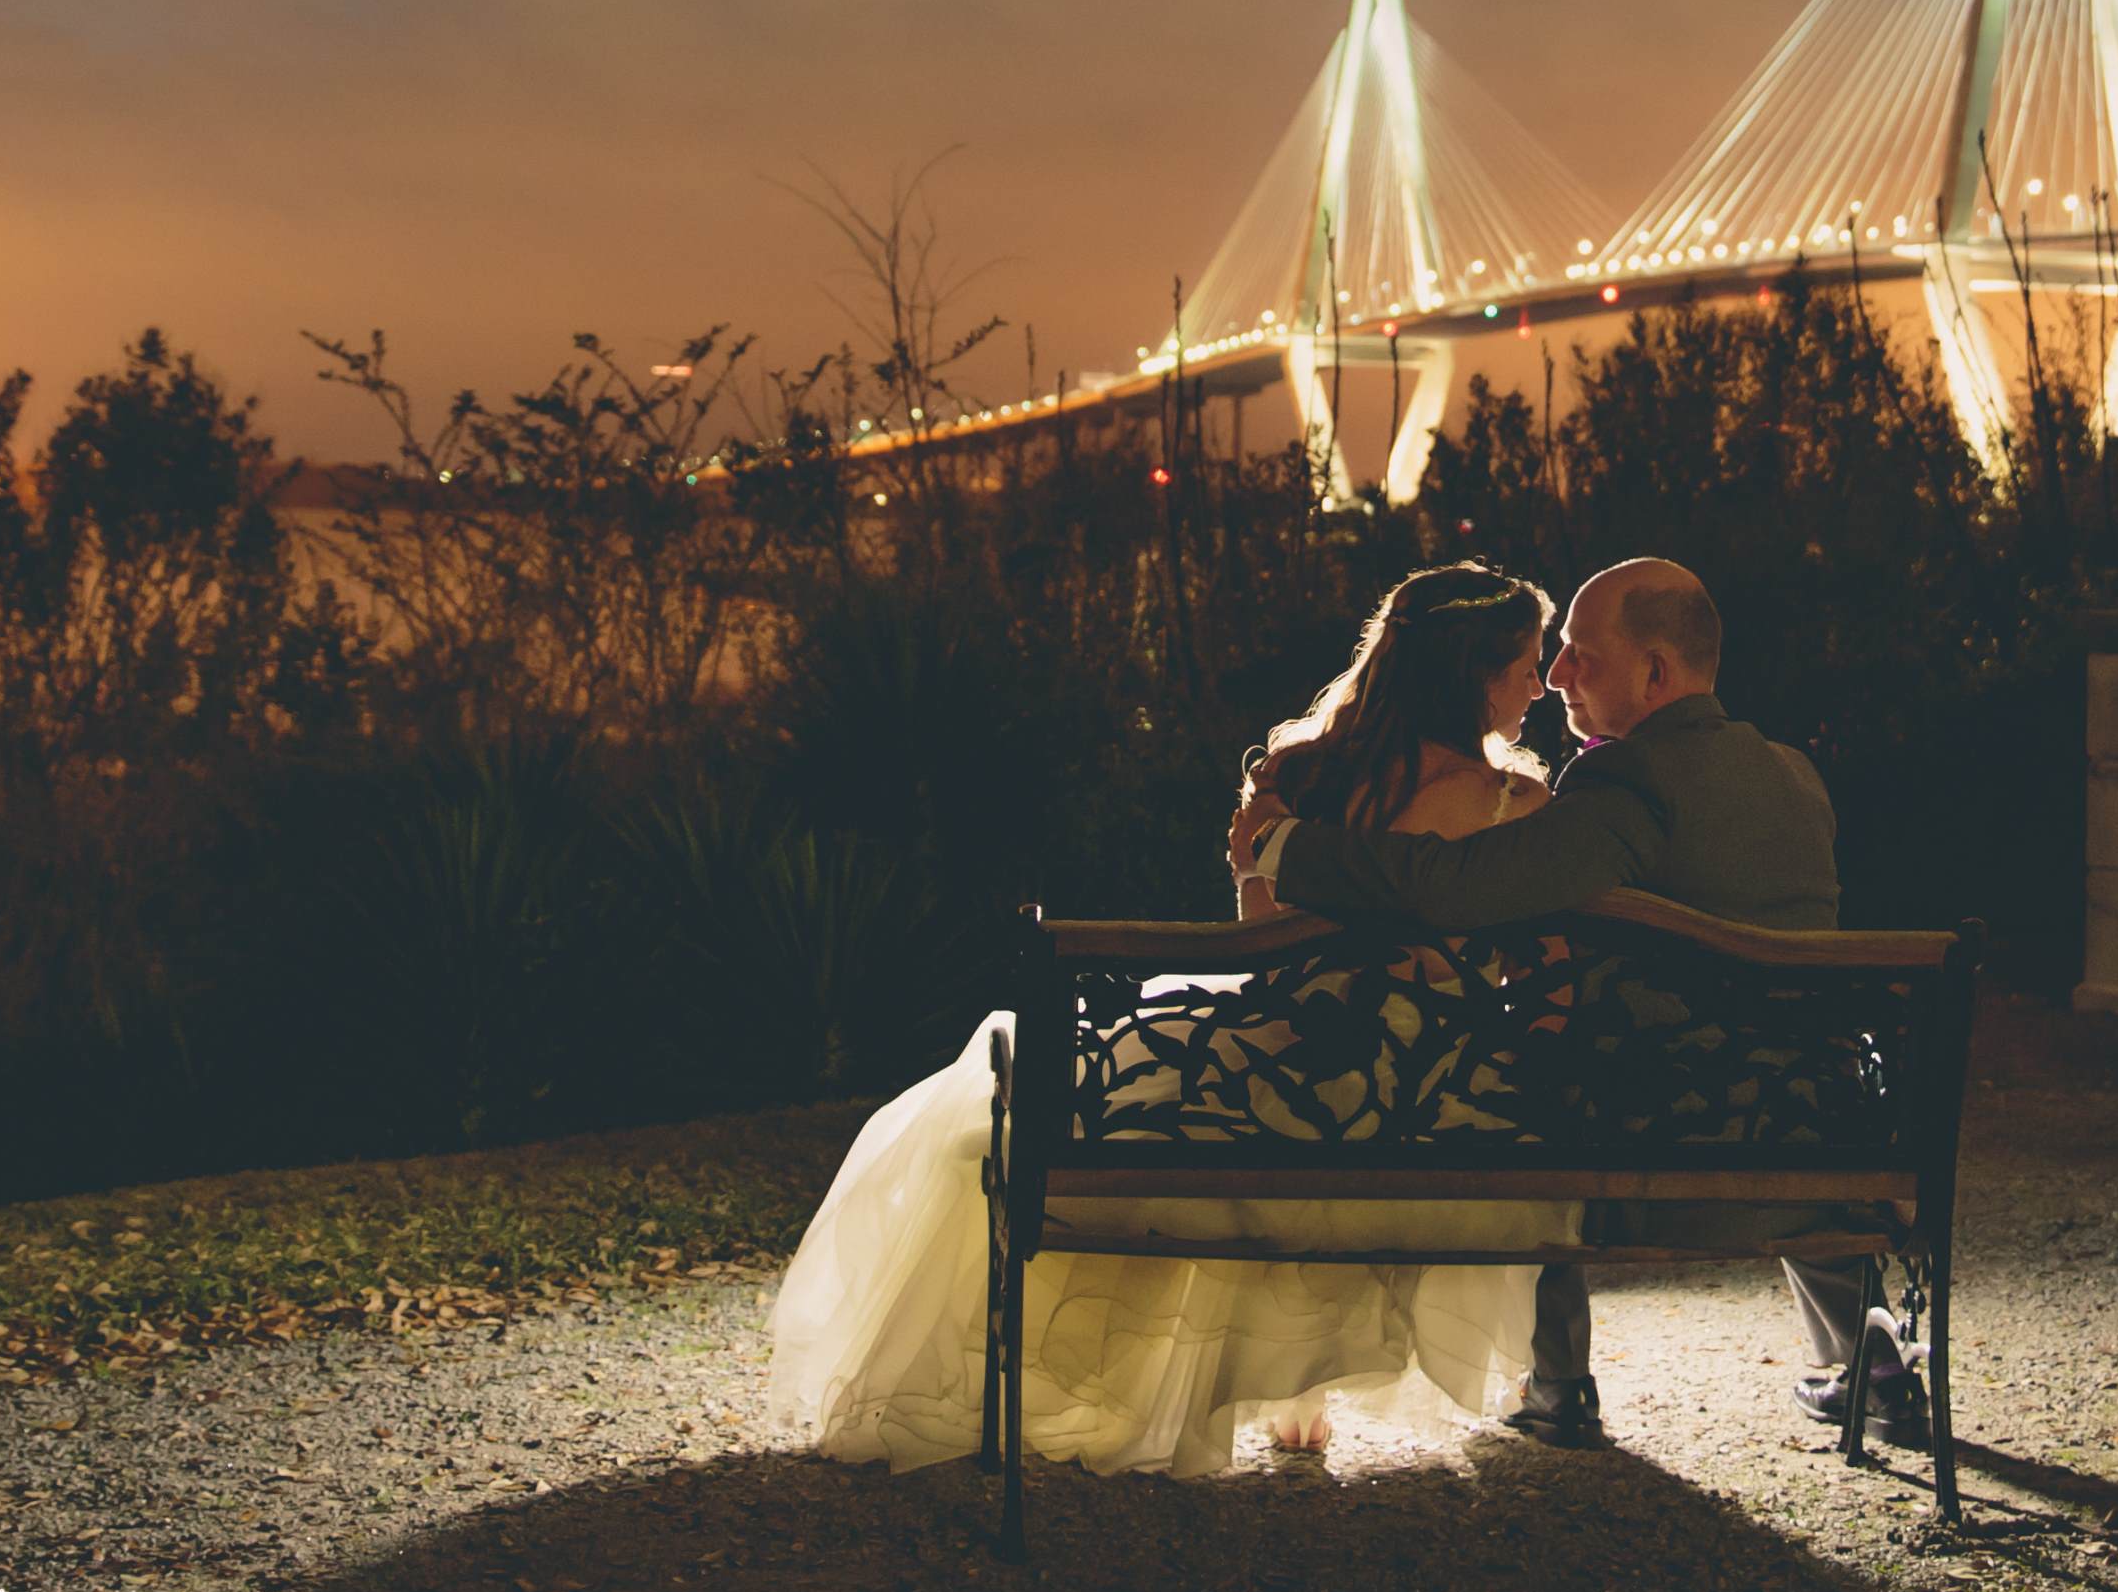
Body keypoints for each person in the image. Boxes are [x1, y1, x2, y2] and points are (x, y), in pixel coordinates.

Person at [766, 564, 1582, 1480]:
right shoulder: (1517, 804)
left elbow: (1262, 942)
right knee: (1364, 1120)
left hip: (1288, 1046)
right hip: (1430, 1087)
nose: (1539, 683)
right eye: (1526, 662)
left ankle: (1271, 1386)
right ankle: (1300, 1383)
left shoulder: (1300, 778)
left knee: (1232, 1113)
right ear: (1471, 672)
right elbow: (1533, 967)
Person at [1233, 556, 1922, 1454]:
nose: (1556, 675)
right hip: (1817, 1127)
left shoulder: (1625, 787)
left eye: (1579, 656)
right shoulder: (1791, 774)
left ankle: (1557, 1383)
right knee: (1764, 1054)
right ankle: (1864, 1357)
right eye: (1551, 655)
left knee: (1527, 1070)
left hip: (1660, 1137)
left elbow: (1465, 884)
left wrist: (1288, 847)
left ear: (1655, 675)